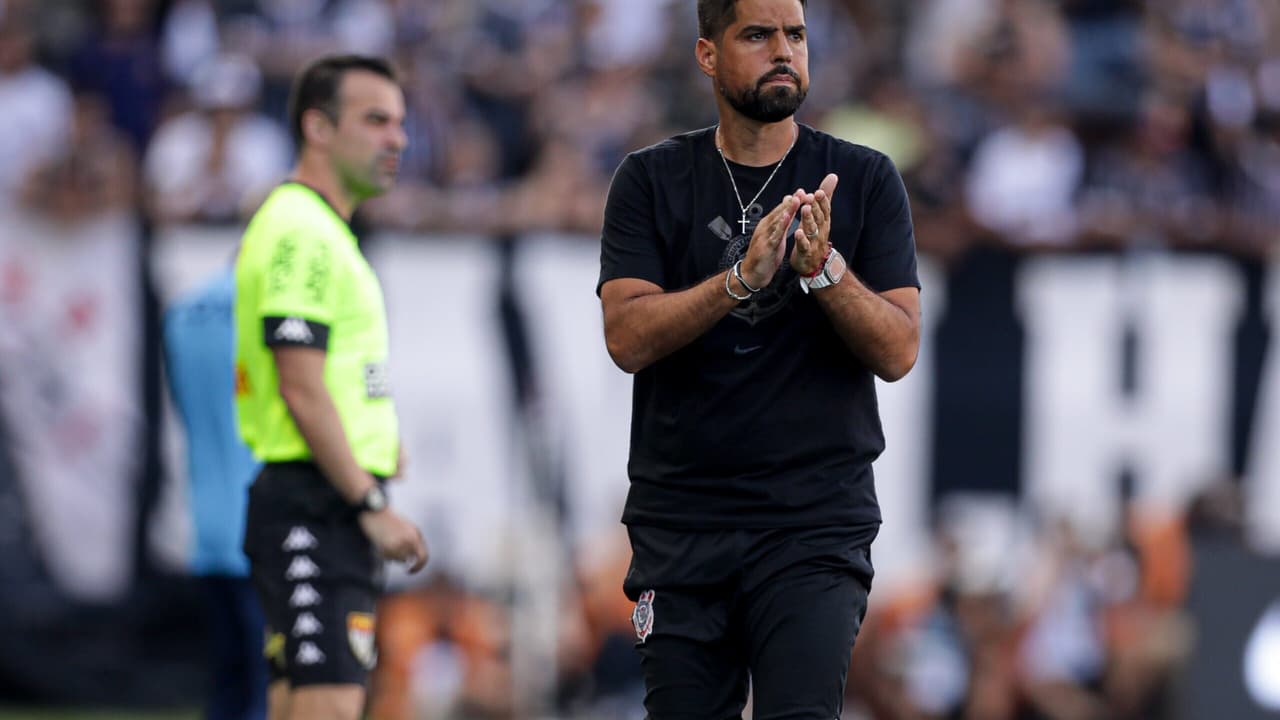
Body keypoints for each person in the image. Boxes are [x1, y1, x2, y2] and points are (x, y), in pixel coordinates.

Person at [596, 0, 922, 717]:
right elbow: (625, 336)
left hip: (812, 523)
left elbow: (899, 349)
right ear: (708, 54)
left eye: (796, 35)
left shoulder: (862, 178)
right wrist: (739, 279)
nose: (784, 50)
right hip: (681, 523)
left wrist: (824, 269)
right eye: (758, 34)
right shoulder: (650, 180)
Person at [234, 54, 428, 720]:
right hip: (314, 505)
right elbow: (300, 386)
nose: (397, 139)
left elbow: (328, 381)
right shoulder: (301, 230)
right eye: (375, 120)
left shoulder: (323, 232)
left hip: (319, 503)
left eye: (400, 123)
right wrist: (370, 498)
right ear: (317, 127)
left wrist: (379, 445)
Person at [164, 266, 268, 720]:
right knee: (269, 682)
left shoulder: (182, 312)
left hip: (205, 524)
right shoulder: (270, 311)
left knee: (226, 681)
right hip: (261, 524)